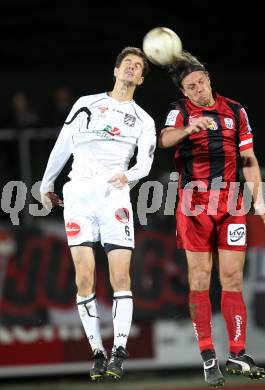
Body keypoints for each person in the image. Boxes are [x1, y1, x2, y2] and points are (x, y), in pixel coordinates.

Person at [159, 52, 265, 387]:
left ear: (209, 80)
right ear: (184, 93)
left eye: (200, 82)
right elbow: (164, 139)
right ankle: (208, 355)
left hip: (231, 204)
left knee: (232, 279)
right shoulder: (180, 111)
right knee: (199, 279)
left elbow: (249, 159)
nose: (197, 89)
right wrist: (188, 128)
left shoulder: (235, 110)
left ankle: (237, 353)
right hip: (193, 204)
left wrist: (260, 202)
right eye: (190, 87)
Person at [40, 47, 156, 381]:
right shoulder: (85, 104)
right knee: (84, 276)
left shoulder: (144, 120)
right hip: (79, 195)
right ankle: (97, 351)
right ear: (116, 70)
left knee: (121, 277)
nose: (132, 69)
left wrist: (129, 176)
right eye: (127, 64)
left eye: (138, 67)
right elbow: (64, 143)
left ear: (142, 78)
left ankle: (119, 349)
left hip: (114, 197)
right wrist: (47, 182)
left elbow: (145, 163)